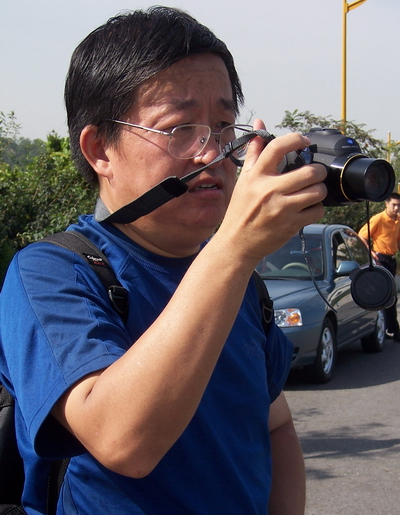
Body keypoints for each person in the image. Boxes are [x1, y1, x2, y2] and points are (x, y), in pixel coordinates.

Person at [0, 7, 327, 514]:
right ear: (100, 150)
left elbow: (275, 424)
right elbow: (123, 441)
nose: (211, 153)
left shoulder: (238, 280)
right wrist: (233, 249)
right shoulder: (52, 273)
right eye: (180, 128)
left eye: (224, 126)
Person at [358, 192, 400, 341]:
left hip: (391, 259)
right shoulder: (379, 219)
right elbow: (361, 235)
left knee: (391, 295)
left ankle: (390, 328)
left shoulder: (398, 220)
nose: (396, 208)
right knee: (386, 293)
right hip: (380, 259)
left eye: (399, 205)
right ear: (386, 204)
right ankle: (393, 329)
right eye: (394, 205)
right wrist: (370, 252)